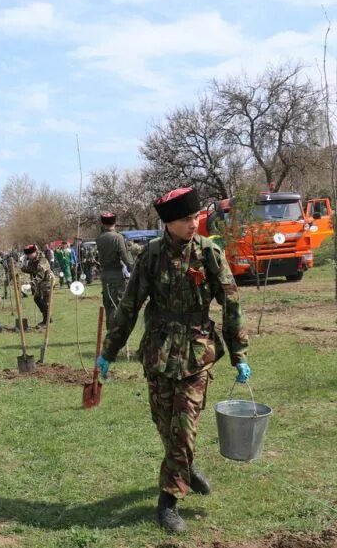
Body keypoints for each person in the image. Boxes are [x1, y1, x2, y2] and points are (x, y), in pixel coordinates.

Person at [95, 187, 251, 533]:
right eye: (185, 219)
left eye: (195, 216)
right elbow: (129, 306)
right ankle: (186, 467)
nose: (193, 223)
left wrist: (238, 354)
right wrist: (108, 352)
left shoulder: (209, 253)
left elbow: (231, 304)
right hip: (159, 353)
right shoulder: (150, 256)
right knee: (165, 424)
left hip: (197, 354)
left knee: (184, 426)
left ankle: (168, 502)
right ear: (168, 222)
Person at [95, 212, 136, 329]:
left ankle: (110, 330)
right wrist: (133, 271)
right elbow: (126, 258)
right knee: (118, 304)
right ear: (115, 222)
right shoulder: (118, 237)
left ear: (103, 223)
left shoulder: (100, 238)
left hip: (105, 274)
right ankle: (117, 332)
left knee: (108, 304)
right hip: (116, 275)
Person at [21, 244, 56, 328]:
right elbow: (31, 270)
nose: (28, 256)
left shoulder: (42, 260)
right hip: (40, 283)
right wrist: (22, 268)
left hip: (48, 282)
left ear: (35, 252)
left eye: (30, 254)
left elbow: (40, 275)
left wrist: (31, 284)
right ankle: (47, 317)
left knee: (45, 302)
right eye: (27, 255)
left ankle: (45, 322)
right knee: (36, 298)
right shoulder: (32, 261)